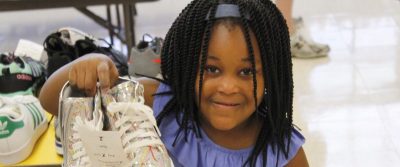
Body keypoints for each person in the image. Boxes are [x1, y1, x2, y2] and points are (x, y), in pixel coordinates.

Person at [39, 0, 309, 166]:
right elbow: (50, 101)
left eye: (246, 72)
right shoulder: (159, 103)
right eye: (212, 69)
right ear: (187, 64)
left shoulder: (281, 150)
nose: (228, 86)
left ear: (272, 74)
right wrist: (89, 62)